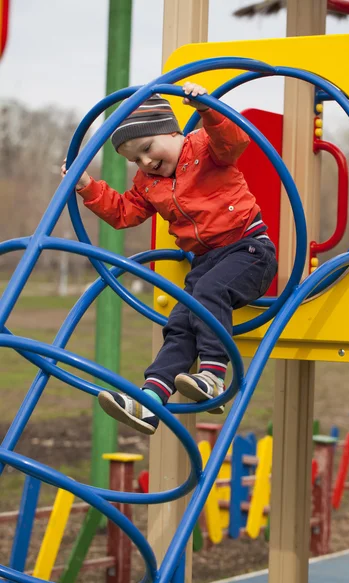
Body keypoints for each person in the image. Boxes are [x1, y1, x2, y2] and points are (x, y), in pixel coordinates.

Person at [61, 82, 277, 435]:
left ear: (173, 132)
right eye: (135, 159)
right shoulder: (148, 182)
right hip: (205, 262)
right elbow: (123, 213)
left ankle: (213, 376)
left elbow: (234, 140)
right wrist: (87, 185)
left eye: (147, 148)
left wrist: (207, 108)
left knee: (207, 293)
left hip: (249, 250)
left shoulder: (208, 149)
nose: (145, 161)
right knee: (179, 326)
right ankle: (149, 401)